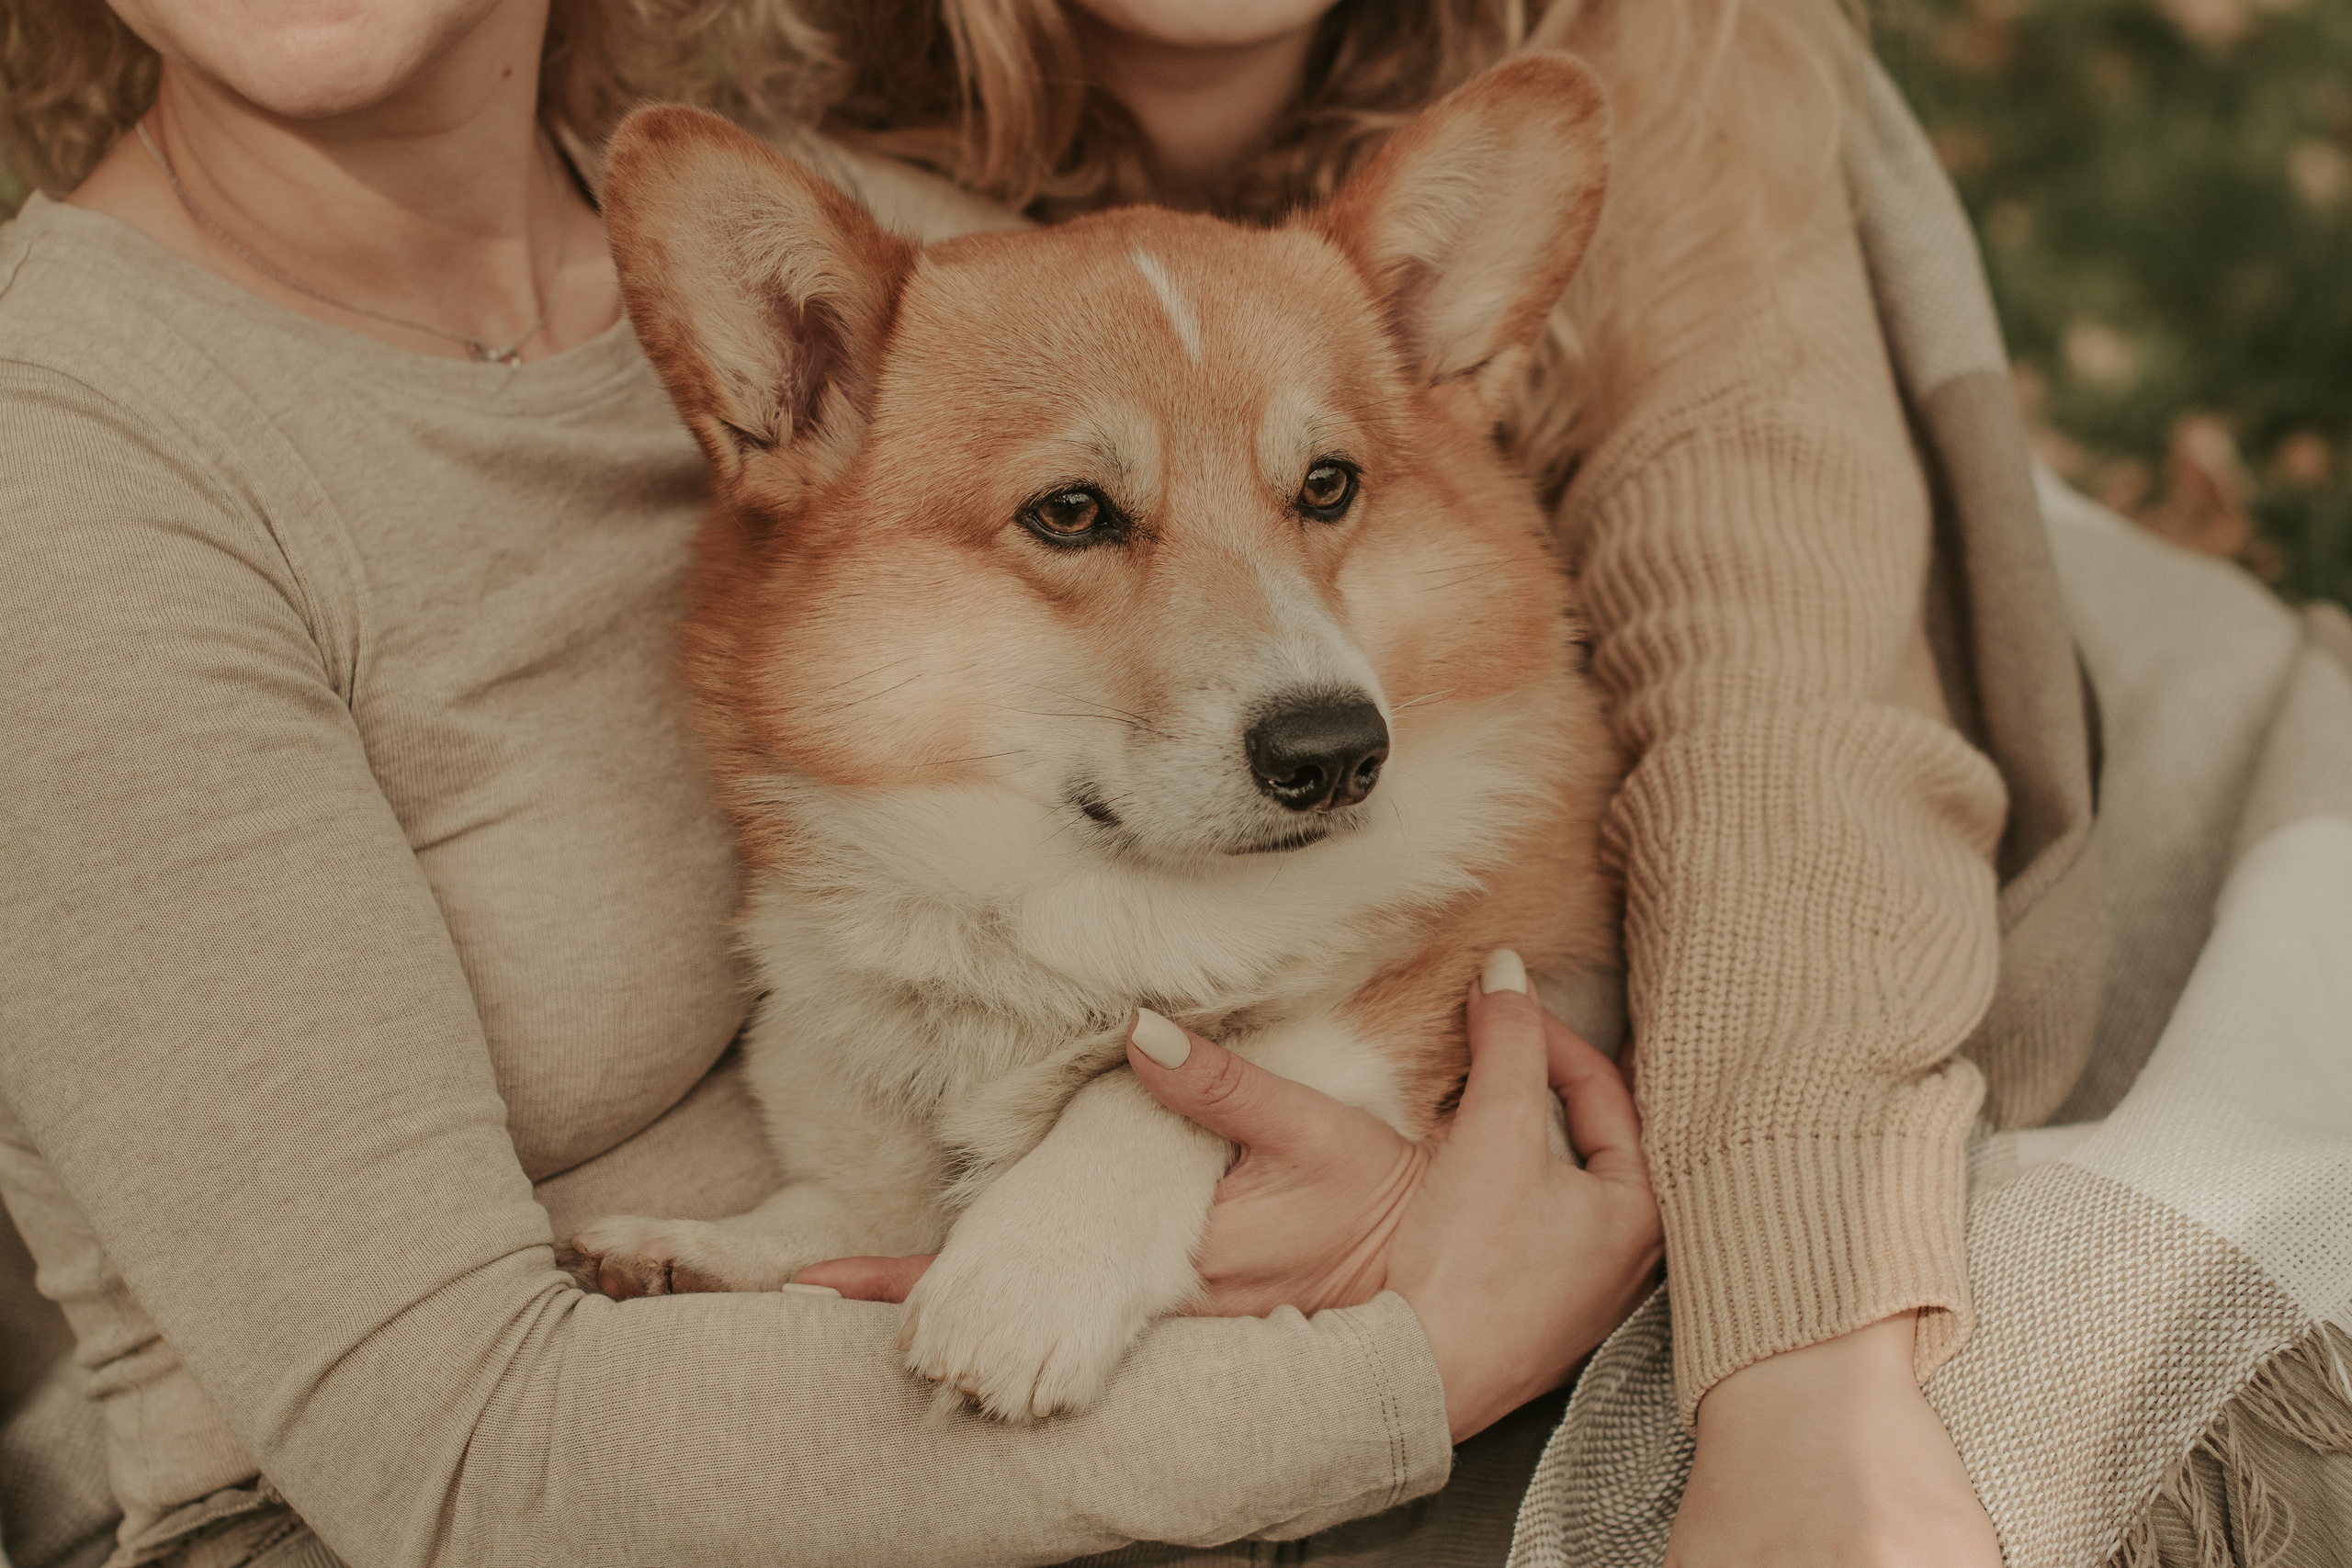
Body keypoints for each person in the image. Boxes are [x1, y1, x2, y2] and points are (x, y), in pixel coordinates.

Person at [0, 0, 2137, 1564]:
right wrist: (1407, 1345)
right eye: (1075, 526)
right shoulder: (79, 478)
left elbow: (1645, 706)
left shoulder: (945, 255)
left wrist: (1752, 1332)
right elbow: (449, 1456)